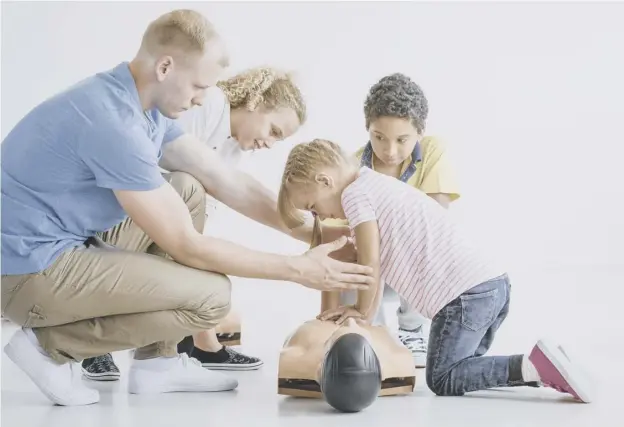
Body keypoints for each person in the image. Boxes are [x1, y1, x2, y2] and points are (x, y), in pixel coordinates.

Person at [0, 9, 372, 407]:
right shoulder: (115, 124)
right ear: (165, 67)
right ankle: (49, 348)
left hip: (56, 245)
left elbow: (222, 178)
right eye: (198, 86)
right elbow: (185, 244)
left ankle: (157, 363)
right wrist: (297, 268)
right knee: (212, 296)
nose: (201, 98)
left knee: (186, 188)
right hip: (27, 271)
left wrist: (306, 229)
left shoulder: (142, 105)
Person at [276, 139, 592, 403]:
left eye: (314, 206)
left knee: (443, 378)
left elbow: (370, 263)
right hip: (492, 286)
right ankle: (553, 366)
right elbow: (374, 258)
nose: (322, 215)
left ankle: (536, 367)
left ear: (324, 181)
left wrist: (361, 313)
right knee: (467, 371)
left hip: (464, 296)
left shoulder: (355, 194)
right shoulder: (374, 183)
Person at [80, 66, 306, 379]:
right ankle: (95, 343)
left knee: (196, 247)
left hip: (152, 219)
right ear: (256, 103)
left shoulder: (233, 148)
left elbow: (201, 217)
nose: (269, 143)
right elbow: (160, 178)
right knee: (187, 196)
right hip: (118, 216)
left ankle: (192, 345)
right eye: (274, 131)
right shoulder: (208, 105)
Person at [336, 73, 460, 368]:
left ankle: (412, 329)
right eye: (378, 138)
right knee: (349, 266)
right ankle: (374, 335)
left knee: (416, 244)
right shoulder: (350, 166)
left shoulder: (433, 150)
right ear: (367, 129)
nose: (389, 151)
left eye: (402, 140)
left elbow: (435, 219)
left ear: (420, 132)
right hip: (370, 264)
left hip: (416, 263)